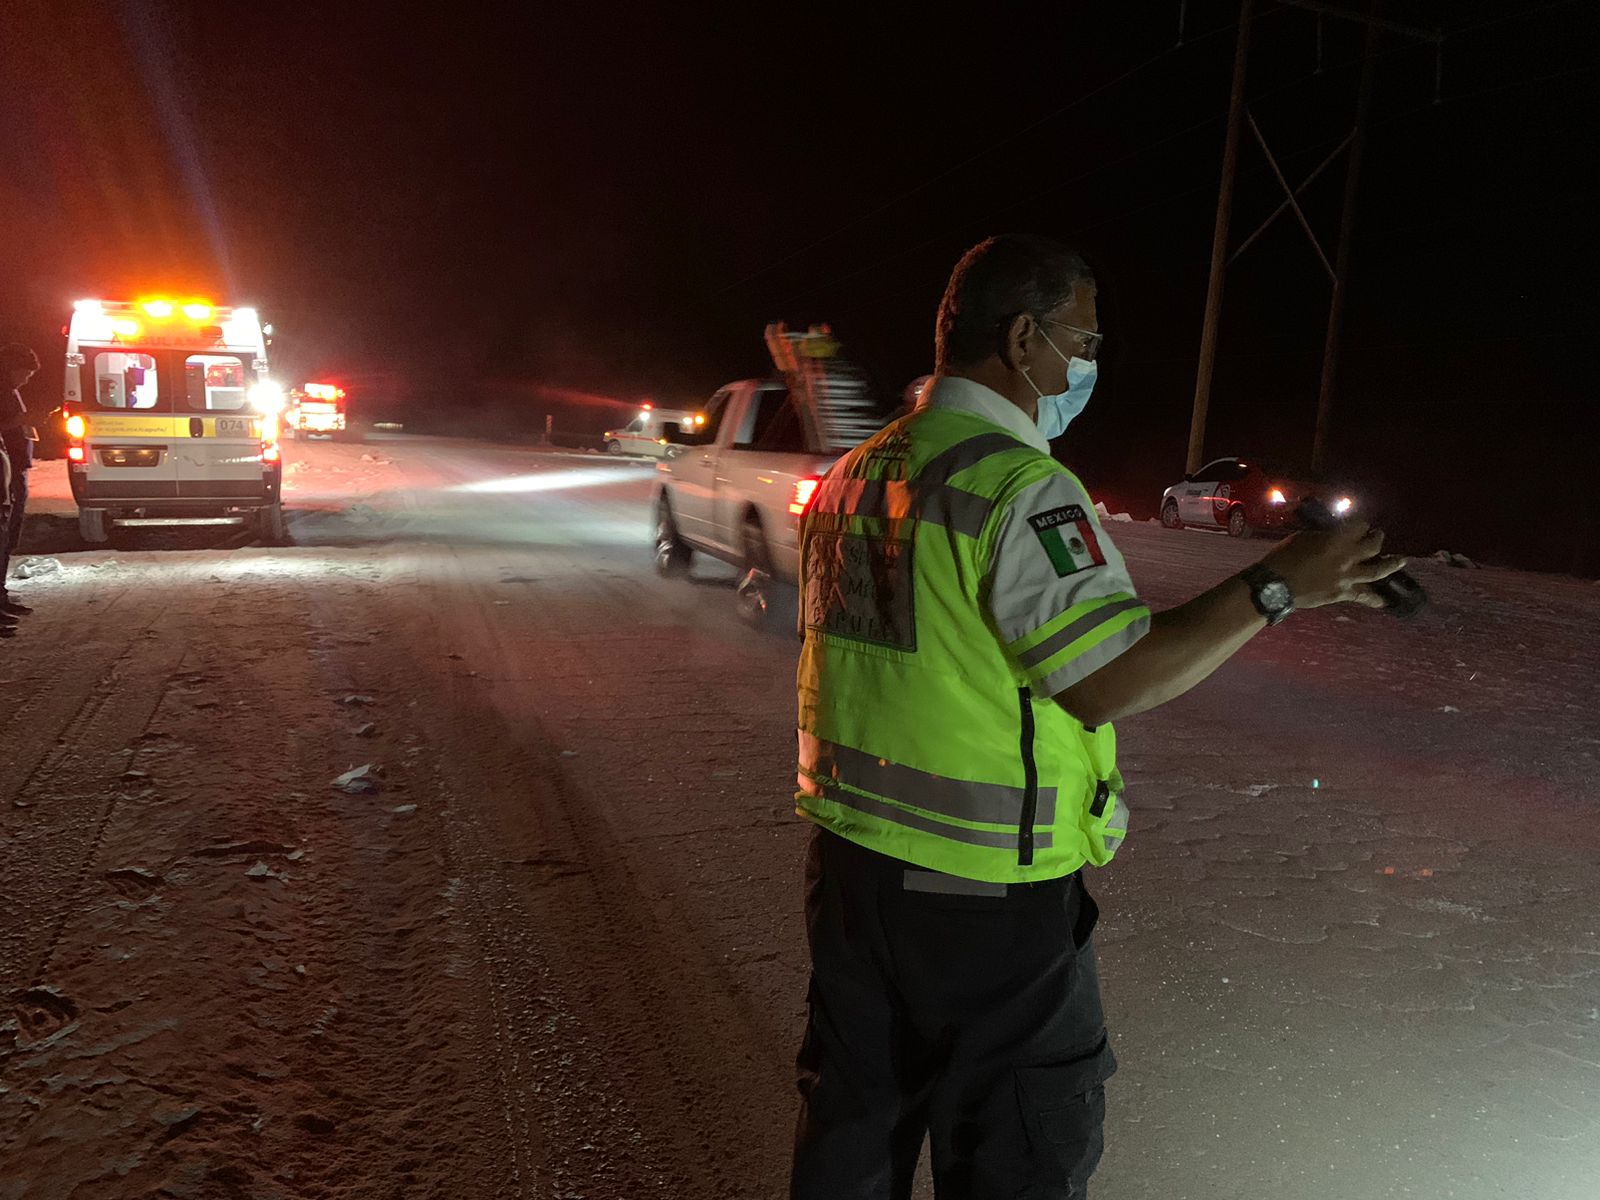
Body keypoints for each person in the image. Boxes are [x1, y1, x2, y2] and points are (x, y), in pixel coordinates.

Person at [789, 234, 1406, 1199]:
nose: (1087, 365)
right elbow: (1104, 679)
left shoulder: (858, 471)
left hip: (852, 877)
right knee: (1019, 1155)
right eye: (1082, 341)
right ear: (1022, 338)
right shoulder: (1018, 486)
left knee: (853, 1141)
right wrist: (1276, 586)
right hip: (982, 902)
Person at [0, 343, 42, 633]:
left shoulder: (11, 392)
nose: (27, 379)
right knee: (3, 535)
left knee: (8, 537)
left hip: (15, 469)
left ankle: (2, 597)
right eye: (25, 373)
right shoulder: (4, 391)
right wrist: (22, 420)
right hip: (8, 471)